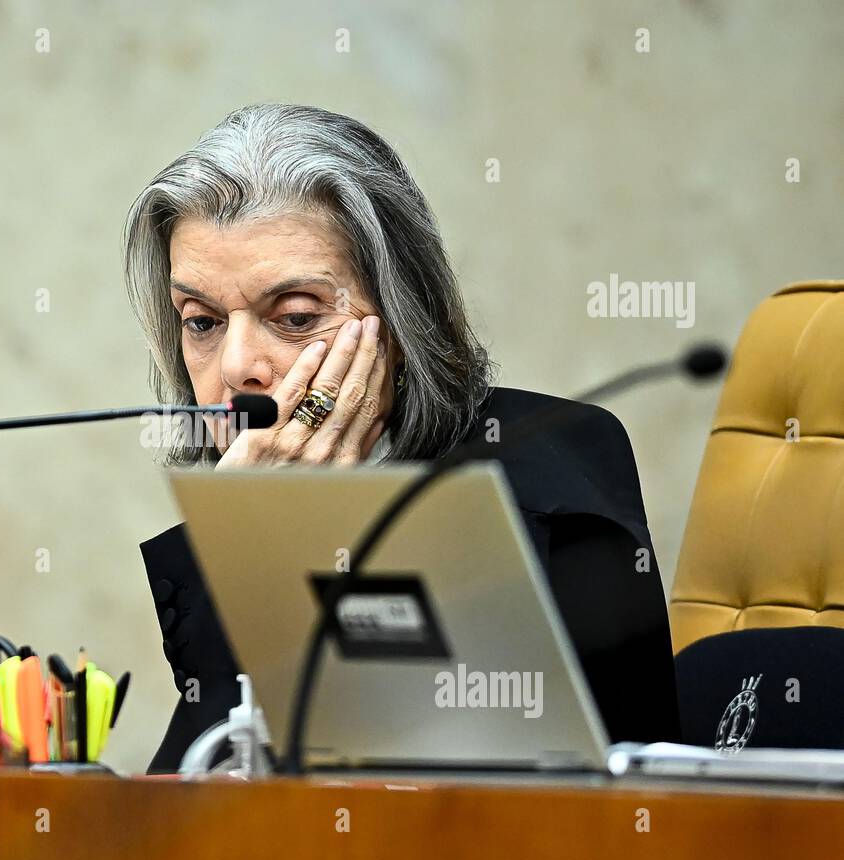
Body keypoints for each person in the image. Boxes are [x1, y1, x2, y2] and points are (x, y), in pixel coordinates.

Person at [122, 104, 680, 773]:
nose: (239, 363)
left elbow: (565, 802)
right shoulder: (223, 508)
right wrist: (249, 535)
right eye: (203, 322)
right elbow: (194, 800)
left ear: (401, 313)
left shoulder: (554, 483)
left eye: (295, 316)